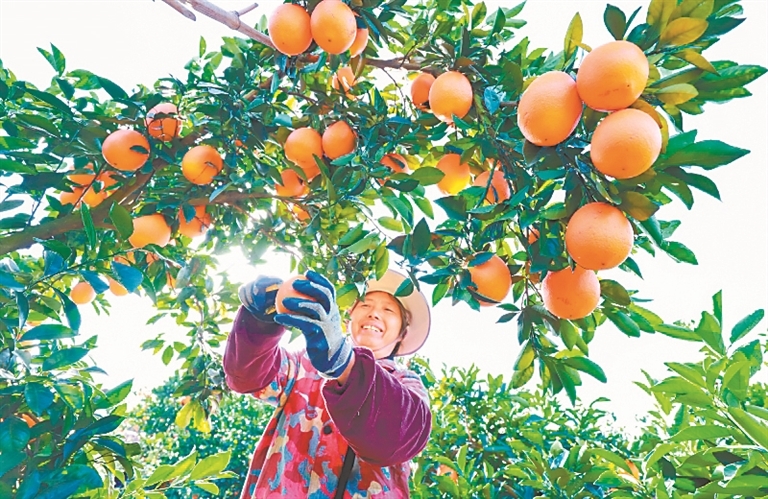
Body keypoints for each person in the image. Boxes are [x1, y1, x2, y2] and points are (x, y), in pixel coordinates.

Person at [223, 269, 432, 498]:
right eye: (365, 305)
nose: (373, 313)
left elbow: (398, 438)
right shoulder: (304, 365)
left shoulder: (405, 383)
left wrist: (346, 365)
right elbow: (247, 376)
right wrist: (258, 323)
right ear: (347, 318)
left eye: (388, 309)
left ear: (403, 332)